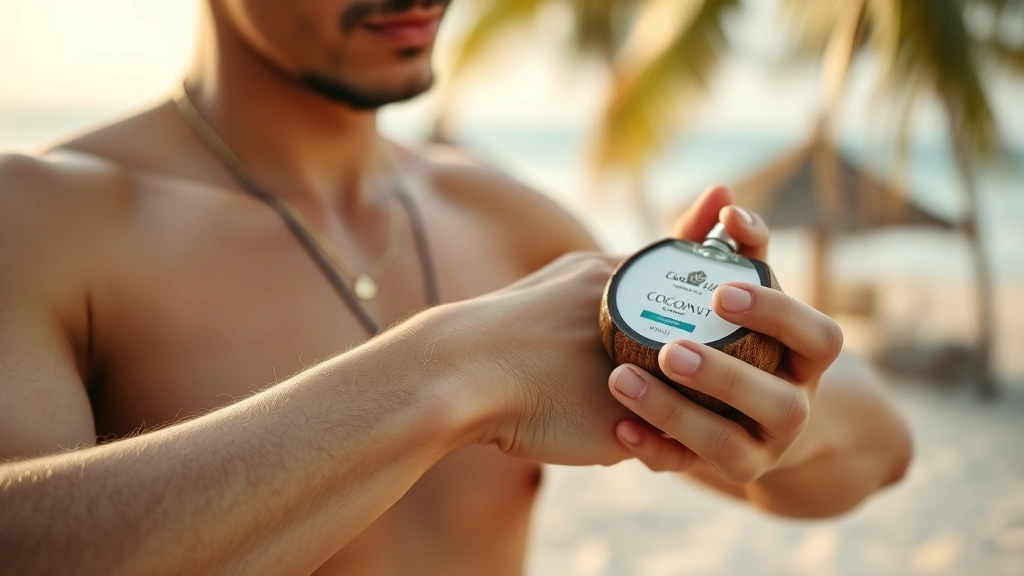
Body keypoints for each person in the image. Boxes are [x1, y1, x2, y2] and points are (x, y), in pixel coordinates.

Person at [0, 1, 911, 574]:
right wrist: (454, 370)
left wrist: (766, 384)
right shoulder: (39, 221)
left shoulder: (500, 216)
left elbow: (883, 455)